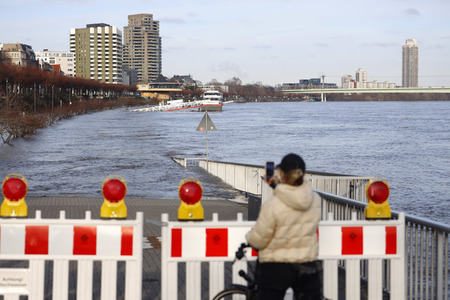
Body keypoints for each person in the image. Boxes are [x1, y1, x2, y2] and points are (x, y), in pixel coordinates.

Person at [246, 153, 322, 300]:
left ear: (282, 174)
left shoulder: (273, 205)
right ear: (303, 174)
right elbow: (295, 197)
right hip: (306, 264)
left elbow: (259, 240)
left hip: (276, 267)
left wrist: (249, 238)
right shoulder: (315, 200)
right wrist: (277, 186)